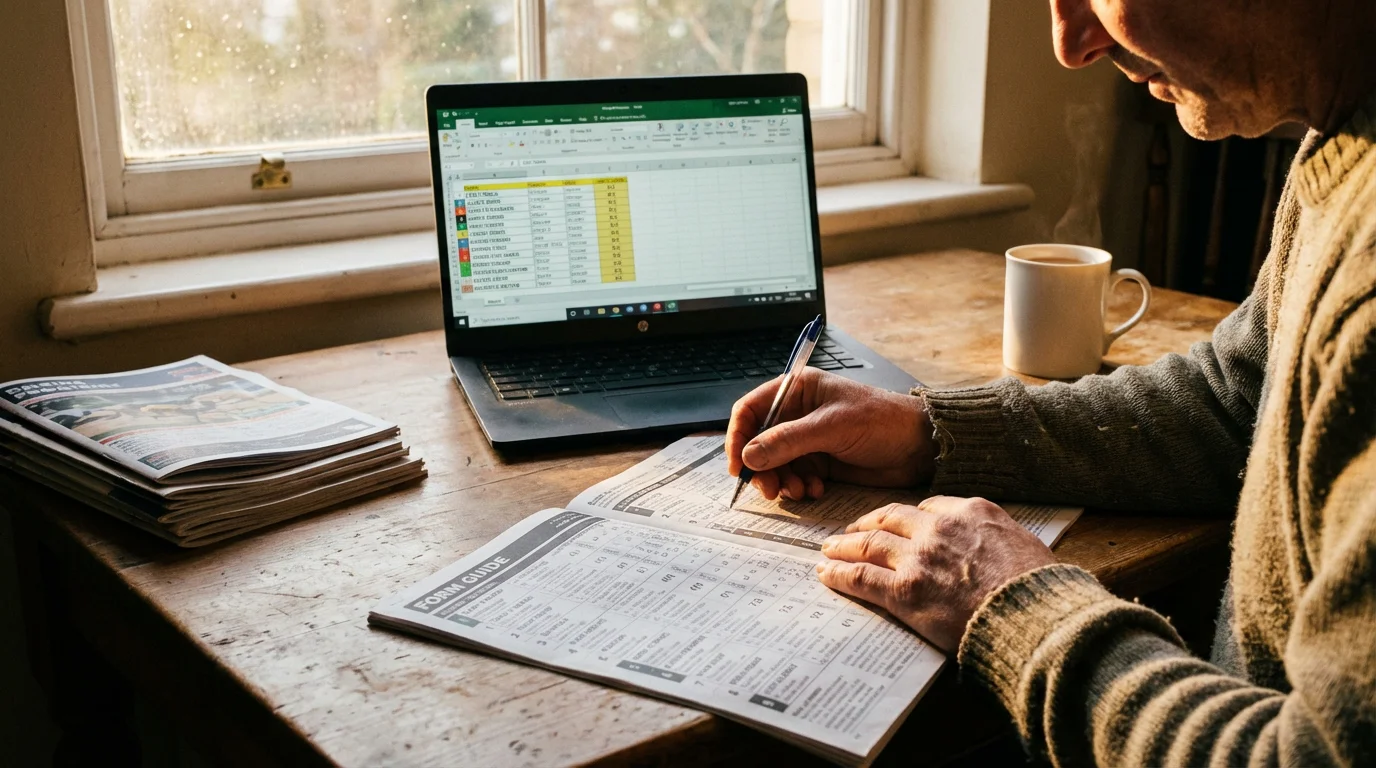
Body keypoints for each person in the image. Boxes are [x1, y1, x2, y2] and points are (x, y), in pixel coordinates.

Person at [725, 1, 1376, 764]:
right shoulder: (1345, 139)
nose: (1070, 45)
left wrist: (1013, 608)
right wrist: (930, 434)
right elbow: (1240, 395)